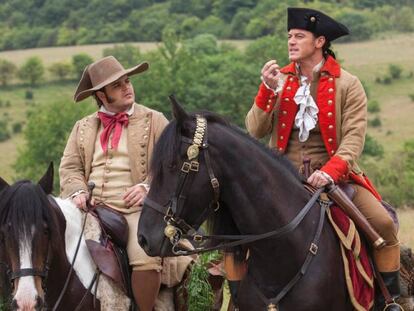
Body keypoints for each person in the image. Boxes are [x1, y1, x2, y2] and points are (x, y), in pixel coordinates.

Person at [244, 7, 401, 310]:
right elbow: (255, 129)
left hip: (333, 177)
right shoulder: (280, 81)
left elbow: (354, 139)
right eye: (289, 36)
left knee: (382, 223)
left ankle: (389, 299)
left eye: (299, 36)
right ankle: (235, 296)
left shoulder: (348, 84)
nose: (291, 41)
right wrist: (267, 91)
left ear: (319, 42)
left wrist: (330, 172)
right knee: (237, 224)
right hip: (282, 176)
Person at [59, 56, 191, 311]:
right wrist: (77, 190)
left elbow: (174, 164)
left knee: (146, 259)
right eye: (117, 85)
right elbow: (70, 167)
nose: (127, 88)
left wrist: (147, 187)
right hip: (92, 210)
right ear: (101, 95)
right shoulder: (82, 127)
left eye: (127, 81)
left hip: (135, 211)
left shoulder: (154, 120)